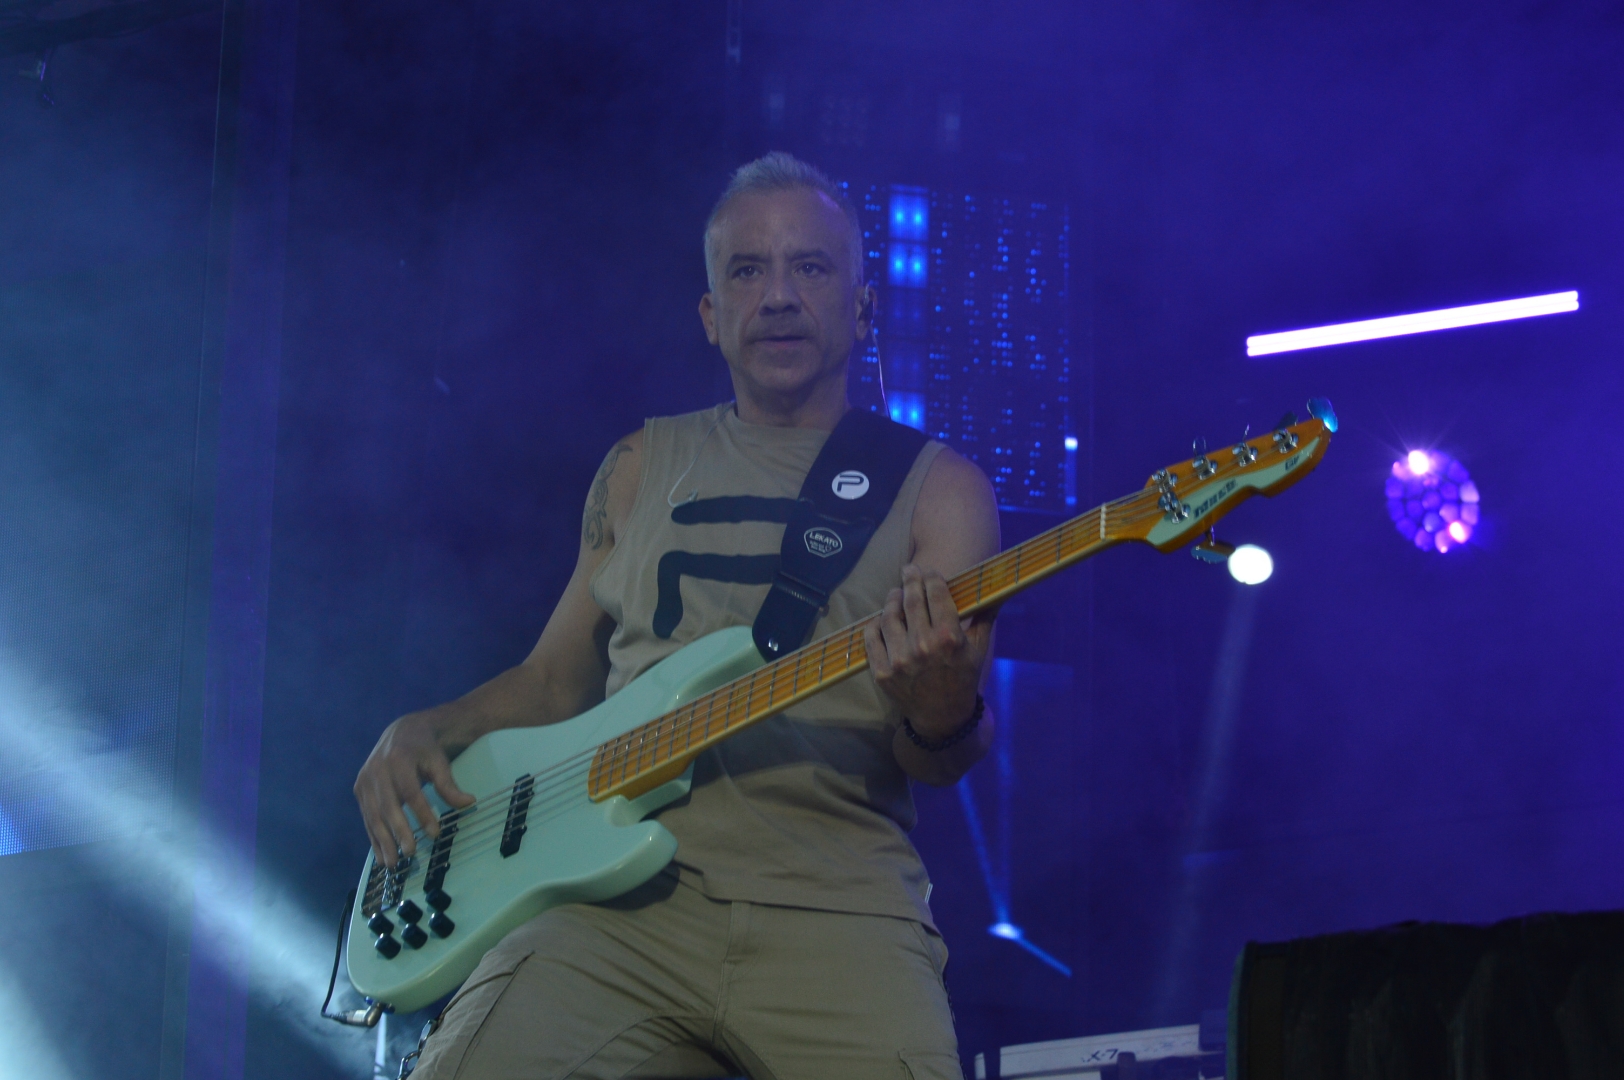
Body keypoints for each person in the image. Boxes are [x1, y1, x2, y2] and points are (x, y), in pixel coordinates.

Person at [353, 152, 1001, 1080]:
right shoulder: (636, 465)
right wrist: (422, 729)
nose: (778, 296)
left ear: (863, 306)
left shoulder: (942, 489)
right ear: (711, 315)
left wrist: (943, 711)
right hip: (611, 907)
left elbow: (938, 759)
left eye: (810, 268)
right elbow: (553, 682)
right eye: (748, 270)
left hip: (839, 911)